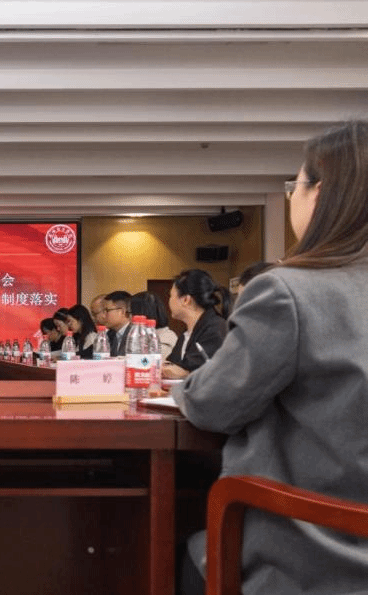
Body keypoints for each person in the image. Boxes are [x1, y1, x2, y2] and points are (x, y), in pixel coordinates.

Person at [175, 120, 368, 595]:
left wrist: (183, 386)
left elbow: (214, 405)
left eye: (293, 185)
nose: (290, 197)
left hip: (320, 551)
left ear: (320, 194)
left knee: (173, 548)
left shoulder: (288, 293)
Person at [162, 270, 229, 379]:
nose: (169, 301)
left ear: (186, 300)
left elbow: (196, 371)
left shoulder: (215, 329)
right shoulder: (186, 335)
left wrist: (182, 372)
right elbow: (172, 364)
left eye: (171, 296)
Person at [129, 291, 177, 358]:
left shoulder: (166, 338)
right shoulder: (141, 335)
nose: (129, 317)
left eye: (130, 312)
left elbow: (147, 362)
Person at [102, 290, 132, 356]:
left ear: (123, 312)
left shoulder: (135, 335)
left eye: (107, 310)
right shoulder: (110, 335)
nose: (103, 316)